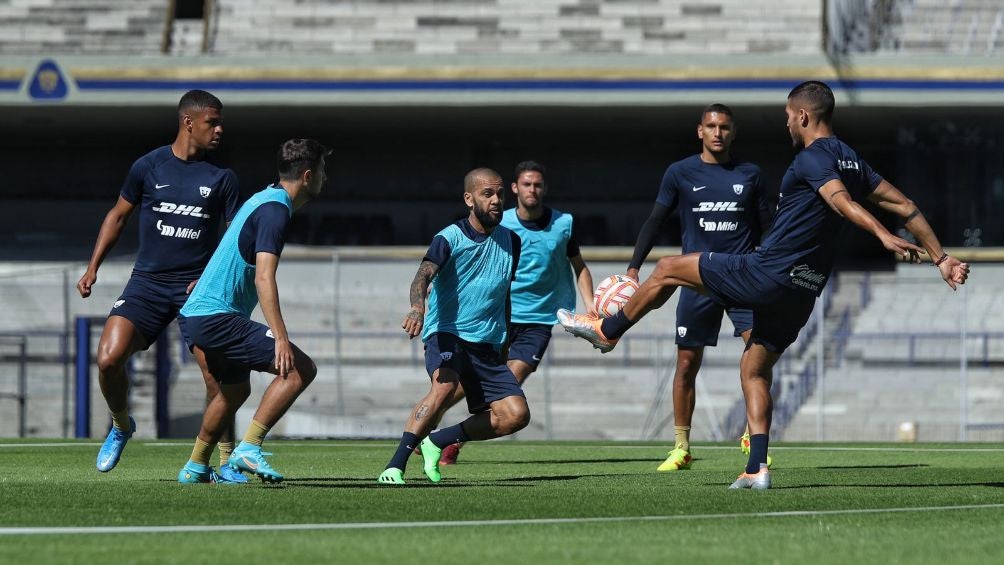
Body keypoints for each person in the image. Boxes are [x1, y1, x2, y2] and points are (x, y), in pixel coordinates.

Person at [558, 81, 969, 490]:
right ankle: (757, 467)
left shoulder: (814, 158)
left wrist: (882, 236)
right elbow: (906, 206)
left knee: (666, 267)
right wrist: (941, 257)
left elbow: (841, 202)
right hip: (805, 289)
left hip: (767, 272)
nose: (787, 124)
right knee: (754, 369)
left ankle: (606, 330)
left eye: (789, 117)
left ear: (804, 116)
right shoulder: (851, 159)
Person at [77, 90, 243, 481]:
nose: (219, 130)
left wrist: (211, 278)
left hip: (197, 290)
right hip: (147, 285)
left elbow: (236, 238)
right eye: (212, 123)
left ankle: (224, 460)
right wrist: (92, 267)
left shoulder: (223, 178)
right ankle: (120, 425)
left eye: (221, 123)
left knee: (218, 380)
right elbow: (117, 216)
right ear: (188, 122)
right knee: (108, 359)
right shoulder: (148, 166)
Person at [625, 104, 772, 472]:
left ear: (733, 132)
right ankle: (681, 447)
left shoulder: (751, 174)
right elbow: (655, 220)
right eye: (711, 126)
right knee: (686, 364)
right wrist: (633, 268)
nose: (718, 132)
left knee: (759, 354)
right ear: (700, 131)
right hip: (697, 279)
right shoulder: (680, 173)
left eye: (724, 126)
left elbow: (768, 227)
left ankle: (751, 435)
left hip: (742, 279)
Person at [175, 138, 327, 484]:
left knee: (234, 391)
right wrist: (282, 339)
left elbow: (231, 241)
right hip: (216, 317)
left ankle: (196, 466)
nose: (325, 179)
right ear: (307, 175)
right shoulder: (276, 211)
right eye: (322, 171)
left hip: (199, 314)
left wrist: (208, 277)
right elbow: (263, 278)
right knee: (300, 369)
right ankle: (249, 448)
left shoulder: (262, 198)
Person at [434, 160, 596, 465]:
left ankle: (453, 441)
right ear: (514, 189)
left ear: (544, 188)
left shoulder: (564, 224)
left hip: (540, 318)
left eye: (537, 184)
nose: (532, 189)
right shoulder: (500, 221)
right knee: (467, 386)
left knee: (512, 378)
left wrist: (590, 306)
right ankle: (435, 414)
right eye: (526, 184)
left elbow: (580, 266)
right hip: (498, 314)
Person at [378, 168, 530, 485]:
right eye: (487, 194)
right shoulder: (449, 237)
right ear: (469, 198)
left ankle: (437, 440)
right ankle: (395, 465)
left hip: (488, 344)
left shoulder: (512, 242)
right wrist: (417, 308)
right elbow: (423, 275)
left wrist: (504, 344)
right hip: (448, 334)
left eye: (500, 194)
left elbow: (503, 294)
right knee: (444, 387)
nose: (496, 200)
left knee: (516, 415)